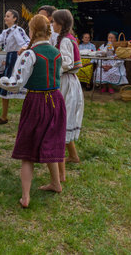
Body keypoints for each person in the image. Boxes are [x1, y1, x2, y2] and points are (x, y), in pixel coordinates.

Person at [0, 14, 66, 207]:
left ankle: (26, 196)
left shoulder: (30, 54)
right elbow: (58, 75)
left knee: (27, 150)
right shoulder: (56, 52)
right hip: (55, 100)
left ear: (32, 31)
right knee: (50, 142)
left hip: (37, 101)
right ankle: (55, 183)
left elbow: (15, 84)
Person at [0, 9, 30, 125]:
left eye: (8, 16)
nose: (5, 18)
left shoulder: (18, 30)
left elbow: (27, 42)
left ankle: (27, 117)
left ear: (15, 18)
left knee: (22, 85)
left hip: (17, 58)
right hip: (10, 58)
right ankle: (4, 116)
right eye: (5, 16)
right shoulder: (5, 32)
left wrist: (24, 48)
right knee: (5, 84)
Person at [52, 9, 84, 179]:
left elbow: (67, 62)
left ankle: (60, 160)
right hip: (68, 80)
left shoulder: (64, 40)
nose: (52, 25)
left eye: (54, 22)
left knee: (62, 118)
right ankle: (72, 156)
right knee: (64, 118)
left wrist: (52, 63)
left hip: (66, 81)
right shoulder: (67, 38)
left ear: (61, 24)